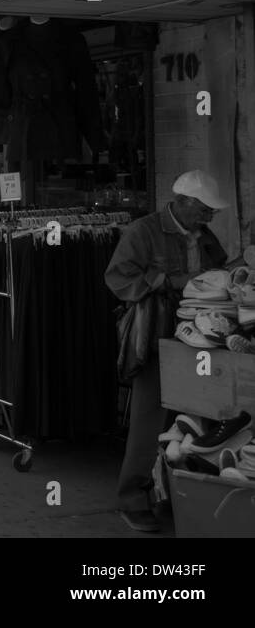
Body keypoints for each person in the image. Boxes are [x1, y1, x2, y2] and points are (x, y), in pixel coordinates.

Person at [104, 169, 230, 533]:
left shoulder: (203, 234)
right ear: (186, 202)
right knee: (149, 420)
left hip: (201, 337)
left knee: (192, 419)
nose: (210, 217)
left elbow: (217, 272)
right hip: (159, 337)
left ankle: (176, 495)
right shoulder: (143, 232)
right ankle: (132, 499)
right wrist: (170, 282)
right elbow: (118, 279)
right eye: (206, 210)